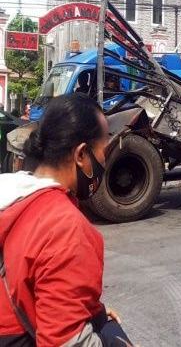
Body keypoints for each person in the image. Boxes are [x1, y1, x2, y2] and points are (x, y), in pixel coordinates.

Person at [0, 93, 131, 346]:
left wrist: (94, 312)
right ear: (81, 154)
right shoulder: (64, 227)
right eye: (104, 148)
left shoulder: (16, 195)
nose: (105, 160)